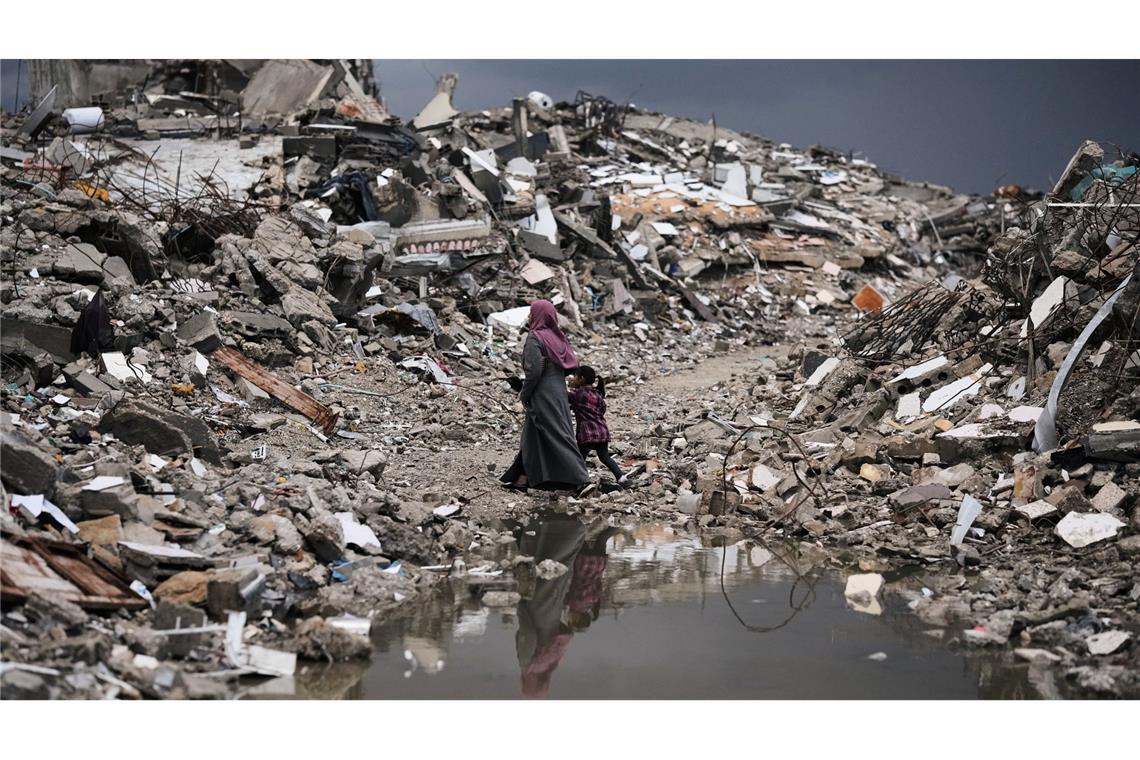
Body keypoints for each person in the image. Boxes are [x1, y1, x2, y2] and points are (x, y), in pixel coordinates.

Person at [500, 300, 589, 491]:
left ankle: (581, 478)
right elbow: (569, 365)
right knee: (533, 437)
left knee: (558, 435)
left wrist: (524, 394)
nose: (530, 317)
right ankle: (522, 479)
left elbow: (533, 372)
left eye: (532, 313)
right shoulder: (558, 337)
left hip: (543, 395)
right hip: (558, 392)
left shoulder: (535, 338)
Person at [568, 366, 628, 487]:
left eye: (575, 377)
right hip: (602, 431)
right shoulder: (598, 393)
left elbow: (564, 398)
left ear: (582, 379)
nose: (572, 379)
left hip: (587, 433)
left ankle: (580, 482)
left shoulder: (578, 394)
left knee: (579, 459)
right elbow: (602, 409)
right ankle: (622, 478)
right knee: (605, 457)